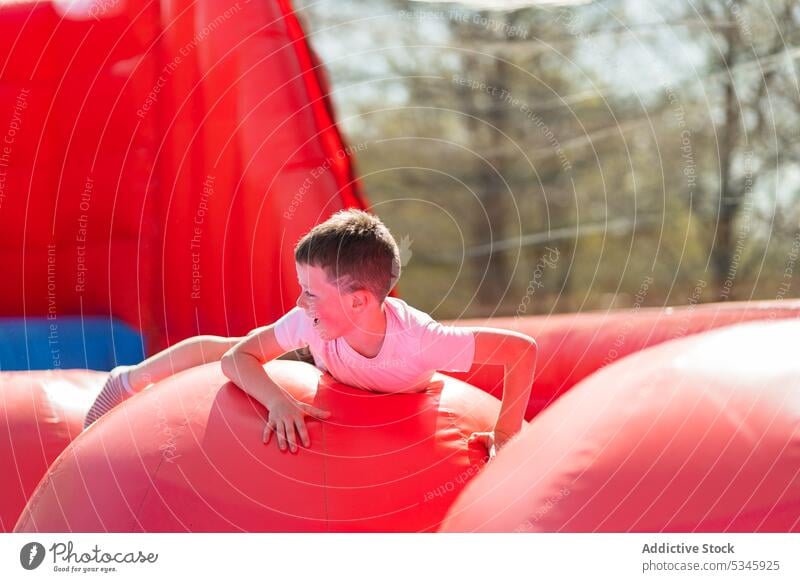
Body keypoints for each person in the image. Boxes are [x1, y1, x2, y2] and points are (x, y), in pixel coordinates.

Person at [85, 209, 537, 459]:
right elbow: (235, 360)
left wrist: (507, 431)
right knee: (231, 345)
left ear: (359, 300)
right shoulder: (311, 319)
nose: (300, 301)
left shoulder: (422, 340)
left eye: (310, 292)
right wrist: (278, 400)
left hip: (388, 377)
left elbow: (521, 352)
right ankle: (128, 378)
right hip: (324, 360)